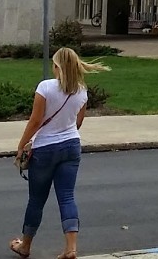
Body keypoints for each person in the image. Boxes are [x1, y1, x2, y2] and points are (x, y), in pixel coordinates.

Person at [8, 47, 107, 259]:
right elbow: (78, 123)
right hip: (71, 145)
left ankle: (25, 246)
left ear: (57, 67)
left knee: (36, 199)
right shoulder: (81, 90)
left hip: (44, 148)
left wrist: (21, 146)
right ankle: (71, 249)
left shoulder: (45, 87)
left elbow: (35, 121)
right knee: (67, 196)